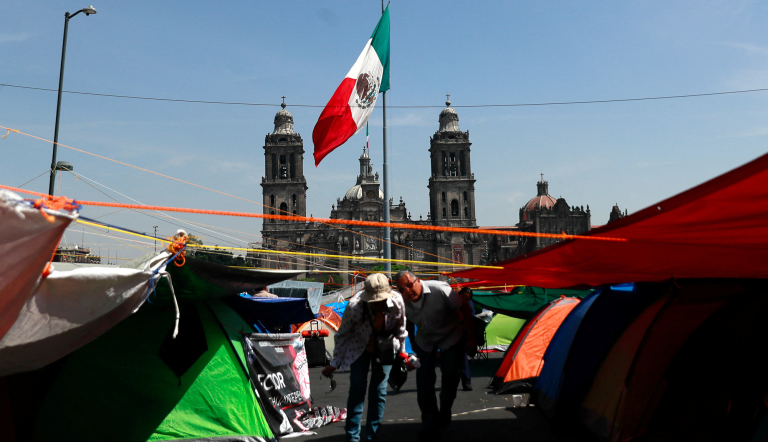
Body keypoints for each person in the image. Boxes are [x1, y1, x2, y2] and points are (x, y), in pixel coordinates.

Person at [322, 273, 408, 442]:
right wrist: (335, 362)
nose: (378, 304)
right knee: (357, 389)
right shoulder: (354, 306)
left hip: (385, 348)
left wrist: (402, 353)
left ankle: (372, 436)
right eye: (374, 301)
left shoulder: (397, 301)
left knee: (379, 392)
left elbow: (400, 330)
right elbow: (343, 336)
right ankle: (352, 437)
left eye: (381, 300)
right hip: (358, 348)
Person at [394, 270, 467, 441]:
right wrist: (411, 350)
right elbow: (406, 326)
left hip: (451, 335)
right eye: (402, 289)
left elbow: (463, 307)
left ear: (418, 280)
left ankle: (446, 407)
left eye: (409, 285)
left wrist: (469, 341)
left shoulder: (440, 290)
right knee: (424, 382)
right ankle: (430, 424)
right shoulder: (402, 302)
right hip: (426, 339)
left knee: (450, 375)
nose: (407, 290)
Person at [458, 287, 477, 391]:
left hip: (463, 333)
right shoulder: (453, 303)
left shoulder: (468, 305)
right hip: (451, 334)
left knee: (462, 357)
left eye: (467, 298)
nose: (465, 299)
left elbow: (470, 320)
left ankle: (466, 382)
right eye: (463, 297)